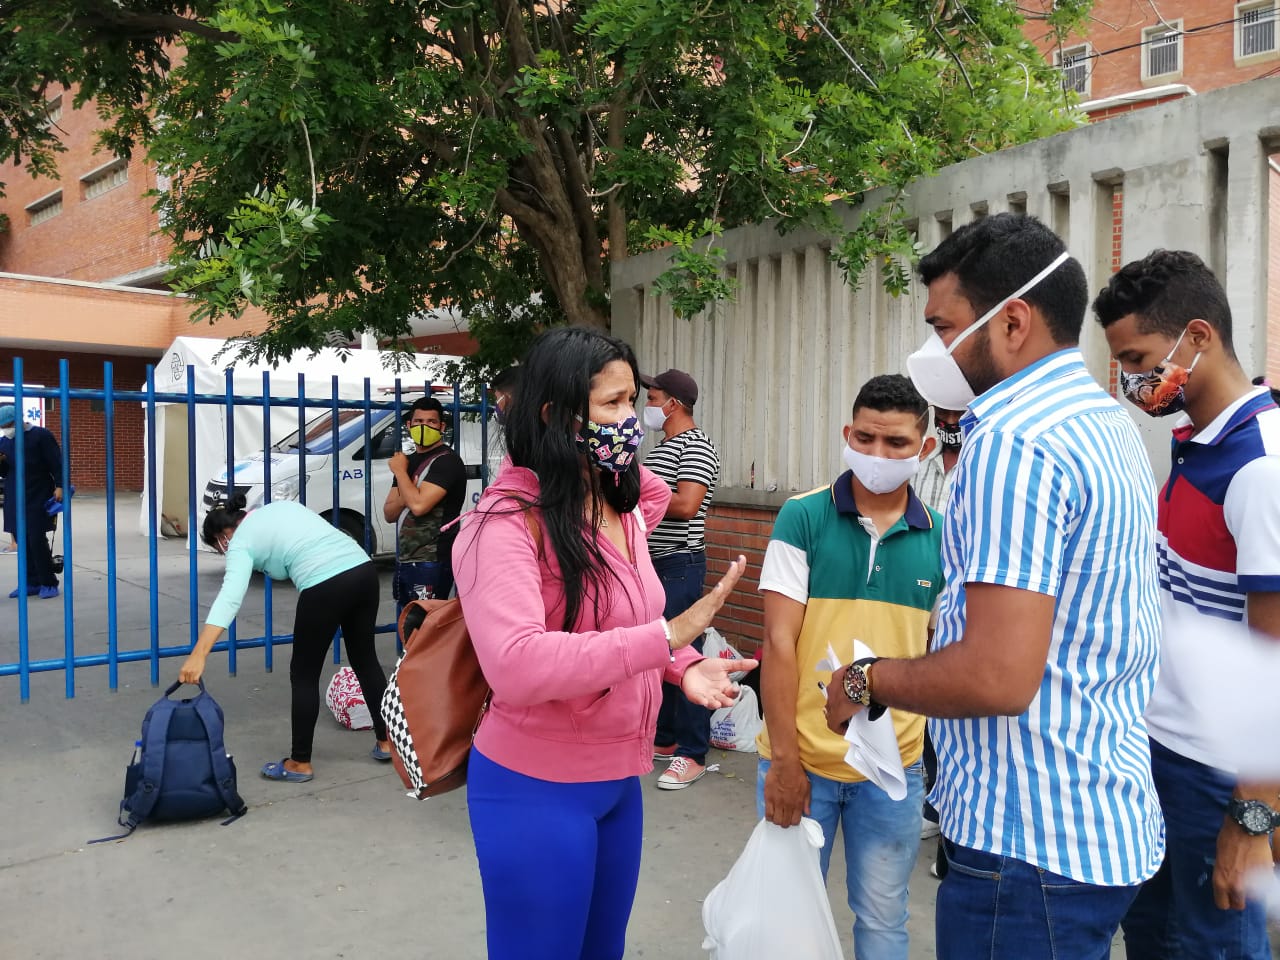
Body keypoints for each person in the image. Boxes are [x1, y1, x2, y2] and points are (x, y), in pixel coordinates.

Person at [825, 213, 1164, 959]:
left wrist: (863, 678)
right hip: (1096, 822)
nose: (933, 351)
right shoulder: (1105, 423)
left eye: (943, 327)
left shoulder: (1012, 439)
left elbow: (995, 676)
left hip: (1027, 844)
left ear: (1012, 322)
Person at [450, 325, 753, 960]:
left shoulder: (618, 508)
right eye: (611, 403)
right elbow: (517, 665)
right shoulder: (500, 523)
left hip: (619, 781)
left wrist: (684, 665)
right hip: (535, 788)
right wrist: (667, 638)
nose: (631, 421)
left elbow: (626, 625)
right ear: (554, 416)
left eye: (632, 401)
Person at [1094, 249, 1280, 960]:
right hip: (1159, 753)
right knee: (1155, 940)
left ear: (1197, 336)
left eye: (1138, 359)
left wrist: (1252, 819)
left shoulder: (1261, 468)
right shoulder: (1196, 444)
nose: (1131, 381)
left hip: (1216, 776)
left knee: (1211, 947)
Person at [758, 373, 942, 960]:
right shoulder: (803, 516)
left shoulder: (944, 536)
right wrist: (785, 762)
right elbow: (778, 643)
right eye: (865, 438)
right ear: (847, 434)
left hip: (893, 772)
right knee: (787, 922)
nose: (878, 454)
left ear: (925, 448)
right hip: (801, 762)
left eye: (896, 443)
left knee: (884, 919)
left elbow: (942, 654)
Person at [178, 497, 392, 782]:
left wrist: (199, 653)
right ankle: (387, 742)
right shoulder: (278, 508)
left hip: (323, 583)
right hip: (362, 570)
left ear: (222, 537)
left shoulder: (239, 542)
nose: (224, 553)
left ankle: (299, 762)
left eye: (219, 549)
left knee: (304, 675)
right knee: (365, 660)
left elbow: (229, 598)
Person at [641, 368, 722, 790]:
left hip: (680, 563)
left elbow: (688, 504)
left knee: (684, 650)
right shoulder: (662, 448)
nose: (647, 406)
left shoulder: (696, 445)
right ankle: (667, 737)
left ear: (673, 404)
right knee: (660, 648)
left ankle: (693, 753)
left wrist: (635, 496)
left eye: (653, 399)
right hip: (653, 563)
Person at [383, 396, 467, 605]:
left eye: (431, 422)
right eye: (419, 421)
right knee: (407, 619)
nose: (424, 427)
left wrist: (401, 474)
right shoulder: (407, 462)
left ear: (441, 427)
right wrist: (409, 493)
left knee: (425, 621)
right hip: (406, 559)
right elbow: (389, 513)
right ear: (409, 425)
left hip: (432, 561)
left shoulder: (446, 461)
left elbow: (419, 506)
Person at [0, 404, 64, 598]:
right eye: (2, 427)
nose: (6, 430)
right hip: (14, 495)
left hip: (38, 492)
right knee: (22, 540)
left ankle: (49, 582)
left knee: (36, 539)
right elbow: (4, 472)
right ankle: (31, 582)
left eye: (8, 425)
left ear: (18, 421)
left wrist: (60, 485)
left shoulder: (41, 436)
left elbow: (56, 462)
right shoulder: (4, 442)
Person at [913, 406, 963, 515]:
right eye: (943, 411)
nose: (951, 421)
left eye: (960, 413)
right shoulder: (916, 458)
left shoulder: (989, 465)